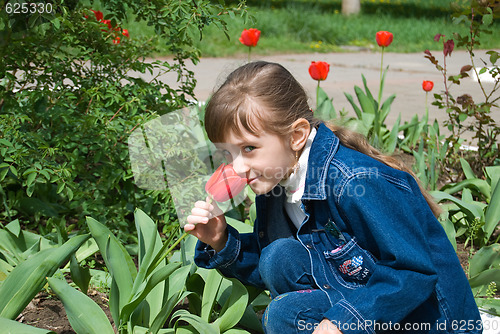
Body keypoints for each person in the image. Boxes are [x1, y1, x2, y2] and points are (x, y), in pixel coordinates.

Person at [184, 61, 482, 334]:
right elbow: (283, 265)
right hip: (359, 293)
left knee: (284, 315)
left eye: (249, 148)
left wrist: (342, 321)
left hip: (430, 320)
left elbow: (412, 272)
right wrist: (220, 241)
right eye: (227, 153)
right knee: (279, 257)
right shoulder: (276, 179)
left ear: (297, 135)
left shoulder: (354, 181)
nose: (236, 167)